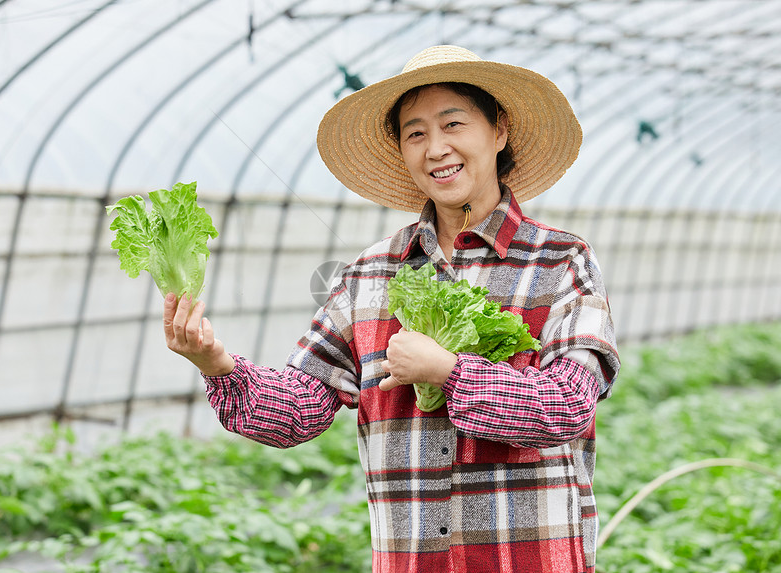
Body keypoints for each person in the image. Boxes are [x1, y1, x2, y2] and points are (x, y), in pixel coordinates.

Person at [164, 45, 619, 573]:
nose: (436, 148)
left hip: (530, 560)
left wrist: (448, 373)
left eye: (454, 124)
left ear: (499, 132)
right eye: (416, 133)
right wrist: (217, 364)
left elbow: (567, 406)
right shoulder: (369, 273)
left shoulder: (560, 262)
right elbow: (299, 410)